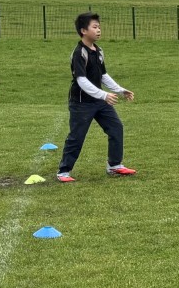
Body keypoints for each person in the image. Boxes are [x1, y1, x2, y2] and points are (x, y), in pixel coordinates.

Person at [57, 11, 138, 181]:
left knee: (116, 128)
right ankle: (63, 171)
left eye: (99, 27)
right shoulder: (79, 53)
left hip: (100, 101)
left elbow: (103, 75)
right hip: (81, 103)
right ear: (83, 31)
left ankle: (114, 165)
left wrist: (120, 90)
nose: (99, 30)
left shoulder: (99, 51)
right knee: (77, 136)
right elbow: (81, 80)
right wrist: (103, 95)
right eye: (94, 27)